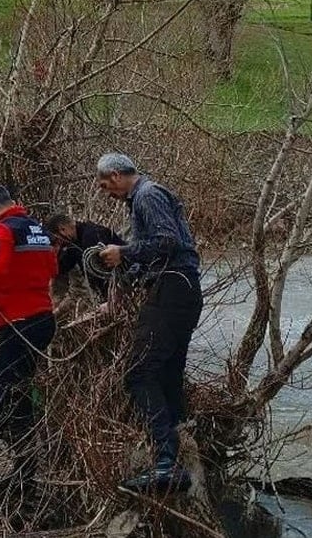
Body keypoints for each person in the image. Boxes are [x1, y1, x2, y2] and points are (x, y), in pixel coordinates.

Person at [95, 153, 202, 494]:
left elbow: (168, 242)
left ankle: (165, 463)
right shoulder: (145, 197)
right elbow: (159, 250)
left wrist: (123, 253)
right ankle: (174, 461)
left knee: (139, 372)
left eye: (104, 183)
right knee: (167, 373)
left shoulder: (148, 194)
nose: (105, 191)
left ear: (115, 175)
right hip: (181, 289)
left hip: (172, 288)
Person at [0, 185, 59, 462]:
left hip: (18, 321)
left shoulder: (1, 231)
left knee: (7, 383)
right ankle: (0, 447)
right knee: (3, 377)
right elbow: (53, 269)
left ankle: (13, 459)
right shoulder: (37, 229)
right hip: (44, 319)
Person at [44, 212, 125, 300]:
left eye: (57, 240)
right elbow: (62, 266)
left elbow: (104, 273)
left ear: (62, 229)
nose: (59, 243)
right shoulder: (74, 244)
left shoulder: (92, 236)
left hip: (121, 288)